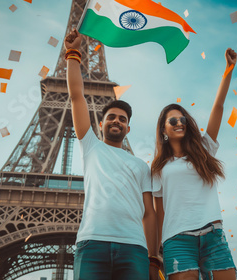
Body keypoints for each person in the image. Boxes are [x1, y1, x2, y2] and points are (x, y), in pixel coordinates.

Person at [65, 29, 159, 280]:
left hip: (134, 247)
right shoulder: (91, 146)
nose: (116, 121)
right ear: (100, 125)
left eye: (122, 119)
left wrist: (153, 257)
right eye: (111, 117)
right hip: (92, 243)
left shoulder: (141, 166)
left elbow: (149, 213)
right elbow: (76, 97)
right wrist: (73, 54)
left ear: (128, 128)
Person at [151, 48, 237, 280]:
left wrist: (227, 72)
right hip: (177, 240)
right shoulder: (158, 168)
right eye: (173, 120)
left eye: (183, 119)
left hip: (213, 234)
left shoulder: (204, 150)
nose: (179, 122)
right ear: (164, 129)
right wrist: (153, 254)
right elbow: (159, 214)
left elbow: (218, 108)